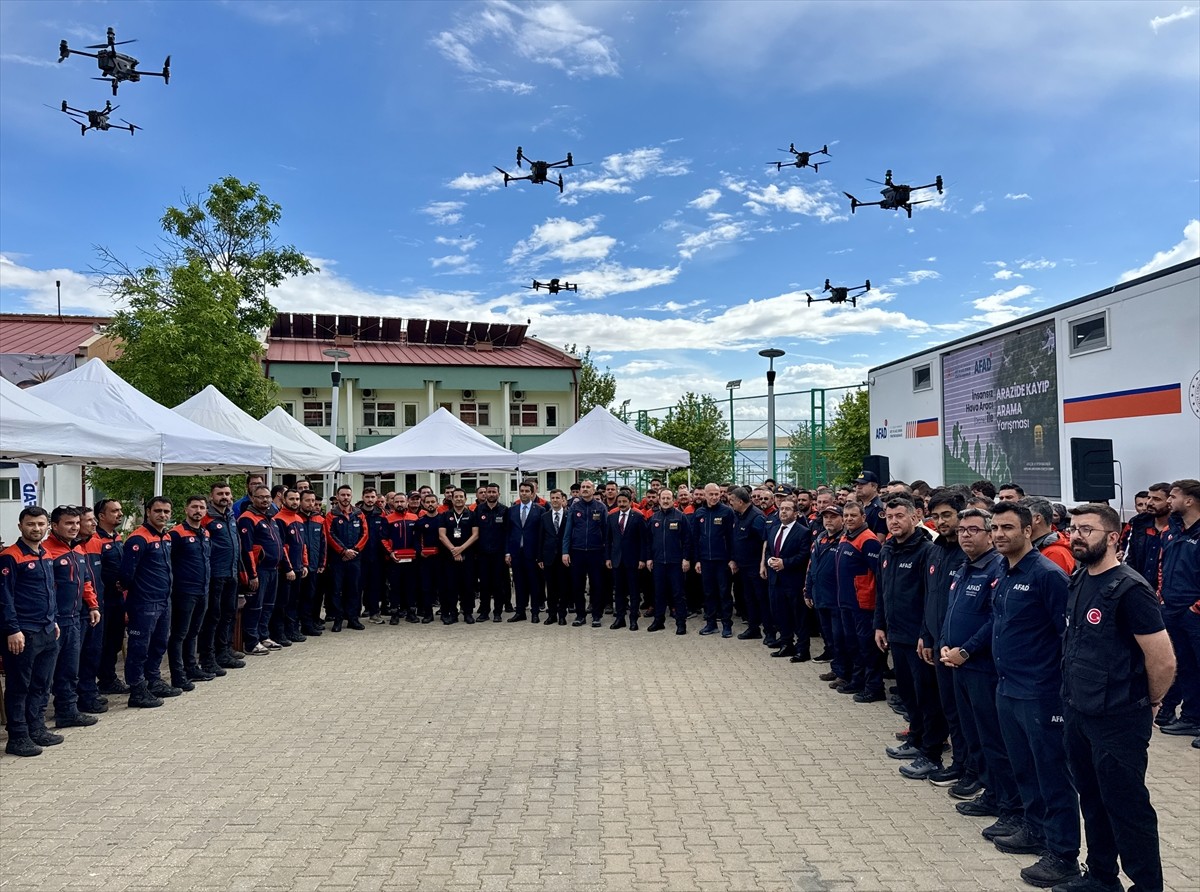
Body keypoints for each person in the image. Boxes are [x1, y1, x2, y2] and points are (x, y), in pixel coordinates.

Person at [1058, 503, 1176, 892]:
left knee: (1128, 810)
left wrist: (1152, 701)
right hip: (1079, 709)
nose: (1076, 535)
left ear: (1112, 537)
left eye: (1087, 530)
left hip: (1119, 718)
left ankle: (1146, 886)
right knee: (1091, 799)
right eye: (1074, 528)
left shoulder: (1130, 589)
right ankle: (1103, 877)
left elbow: (1162, 659)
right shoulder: (1079, 578)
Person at [988, 500, 1080, 889]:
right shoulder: (1004, 571)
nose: (999, 535)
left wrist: (1059, 688)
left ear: (1028, 530)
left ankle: (1063, 855)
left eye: (1007, 528)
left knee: (1052, 774)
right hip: (1008, 687)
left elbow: (1068, 636)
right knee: (1024, 767)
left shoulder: (1046, 574)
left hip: (1040, 693)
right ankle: (1034, 829)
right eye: (995, 528)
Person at [938, 506, 1023, 839]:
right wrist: (946, 644)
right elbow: (953, 613)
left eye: (973, 530)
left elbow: (994, 620)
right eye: (962, 530)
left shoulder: (997, 569)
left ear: (989, 534)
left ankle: (1007, 803)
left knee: (993, 738)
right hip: (957, 664)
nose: (965, 535)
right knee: (973, 734)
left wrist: (966, 650)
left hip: (982, 667)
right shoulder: (964, 568)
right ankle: (989, 791)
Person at [874, 498, 943, 779]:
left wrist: (925, 634)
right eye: (889, 516)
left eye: (900, 516)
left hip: (918, 638)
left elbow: (932, 598)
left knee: (926, 694)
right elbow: (882, 592)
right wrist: (880, 625)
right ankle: (915, 738)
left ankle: (932, 749)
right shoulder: (887, 550)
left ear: (915, 517)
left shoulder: (927, 551)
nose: (894, 521)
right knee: (908, 694)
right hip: (896, 634)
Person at [919, 488, 975, 791]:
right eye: (936, 516)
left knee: (968, 717)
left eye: (947, 515)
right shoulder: (934, 549)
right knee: (951, 712)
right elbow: (931, 597)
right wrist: (925, 634)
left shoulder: (972, 554)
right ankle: (959, 764)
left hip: (964, 652)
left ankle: (973, 770)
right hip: (937, 645)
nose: (941, 522)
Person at [1, 507, 61, 756]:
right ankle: (17, 736)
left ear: (47, 526)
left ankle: (36, 728)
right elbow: (4, 597)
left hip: (47, 629)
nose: (36, 528)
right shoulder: (9, 557)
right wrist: (12, 629)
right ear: (20, 526)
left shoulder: (45, 554)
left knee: (41, 684)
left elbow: (49, 591)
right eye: (30, 524)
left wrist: (54, 620)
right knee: (19, 685)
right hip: (24, 632)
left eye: (40, 524)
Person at [41, 506, 100, 729]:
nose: (74, 527)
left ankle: (67, 712)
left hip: (75, 618)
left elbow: (85, 582)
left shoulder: (78, 550)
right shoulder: (46, 552)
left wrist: (92, 605)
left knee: (69, 669)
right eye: (68, 523)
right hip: (53, 621)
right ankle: (36, 721)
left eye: (76, 523)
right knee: (47, 675)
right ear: (54, 526)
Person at [121, 497, 179, 707]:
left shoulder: (166, 537)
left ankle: (153, 681)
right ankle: (137, 690)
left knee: (159, 643)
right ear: (148, 512)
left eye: (166, 511)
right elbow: (127, 574)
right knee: (139, 647)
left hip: (163, 600)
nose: (162, 515)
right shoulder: (138, 539)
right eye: (158, 511)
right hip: (144, 602)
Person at [1156, 479, 1200, 739]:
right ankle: (1192, 718)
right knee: (1184, 666)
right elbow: (1163, 567)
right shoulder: (1172, 532)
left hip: (1194, 612)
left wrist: (1195, 608)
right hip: (1171, 609)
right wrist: (1162, 597)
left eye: (1173, 496)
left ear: (1190, 500)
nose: (1169, 501)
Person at [835, 502, 883, 701]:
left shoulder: (869, 540)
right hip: (847, 602)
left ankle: (874, 687)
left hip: (863, 604)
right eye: (845, 515)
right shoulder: (846, 537)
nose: (848, 519)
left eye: (853, 515)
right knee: (853, 644)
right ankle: (857, 680)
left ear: (863, 517)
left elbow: (879, 574)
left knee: (867, 647)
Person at [166, 496, 213, 692]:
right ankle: (177, 675)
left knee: (194, 631)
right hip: (183, 591)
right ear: (186, 509)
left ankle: (191, 667)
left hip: (203, 589)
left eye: (202, 507)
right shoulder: (176, 534)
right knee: (179, 634)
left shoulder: (205, 532)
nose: (198, 510)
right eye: (194, 507)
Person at [200, 483, 245, 672]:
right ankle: (208, 657)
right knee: (213, 617)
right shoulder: (207, 518)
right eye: (220, 494)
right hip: (215, 575)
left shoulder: (231, 517)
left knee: (228, 614)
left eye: (227, 493)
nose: (224, 497)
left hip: (231, 572)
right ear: (212, 497)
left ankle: (224, 651)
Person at [762, 497, 812, 660]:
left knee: (799, 617)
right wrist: (769, 561)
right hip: (775, 580)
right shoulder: (774, 529)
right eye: (781, 509)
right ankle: (786, 644)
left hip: (793, 581)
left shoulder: (803, 531)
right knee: (780, 614)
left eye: (787, 509)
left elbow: (804, 555)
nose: (783, 512)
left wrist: (785, 563)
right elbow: (769, 549)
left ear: (796, 513)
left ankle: (803, 649)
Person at [239, 485, 286, 652]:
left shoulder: (271, 518)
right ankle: (251, 642)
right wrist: (252, 574)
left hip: (274, 569)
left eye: (267, 497)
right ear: (252, 498)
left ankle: (263, 636)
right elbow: (247, 549)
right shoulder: (248, 518)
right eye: (260, 497)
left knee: (268, 605)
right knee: (255, 606)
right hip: (259, 570)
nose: (265, 500)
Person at [75, 506, 109, 714]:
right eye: (88, 521)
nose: (94, 523)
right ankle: (75, 698)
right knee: (75, 657)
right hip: (75, 611)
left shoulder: (97, 543)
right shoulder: (64, 548)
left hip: (97, 607)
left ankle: (88, 692)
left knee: (93, 652)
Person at [693, 483, 737, 638]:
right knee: (709, 593)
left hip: (722, 561)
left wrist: (732, 559)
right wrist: (697, 560)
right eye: (710, 494)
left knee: (724, 593)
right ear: (705, 495)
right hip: (705, 560)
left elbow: (732, 538)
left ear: (720, 495)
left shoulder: (727, 512)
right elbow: (696, 539)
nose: (713, 497)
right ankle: (711, 624)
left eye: (716, 494)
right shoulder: (699, 513)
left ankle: (727, 625)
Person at [646, 488, 691, 634]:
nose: (665, 501)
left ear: (673, 501)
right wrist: (649, 558)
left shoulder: (680, 517)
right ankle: (659, 621)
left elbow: (687, 540)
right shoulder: (654, 518)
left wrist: (686, 558)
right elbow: (648, 541)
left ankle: (681, 623)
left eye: (668, 498)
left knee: (678, 594)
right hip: (658, 562)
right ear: (659, 500)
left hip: (676, 562)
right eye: (663, 498)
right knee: (659, 593)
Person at [563, 480, 608, 628]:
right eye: (583, 487)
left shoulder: (601, 507)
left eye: (588, 487)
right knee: (577, 585)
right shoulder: (574, 507)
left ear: (593, 489)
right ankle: (580, 615)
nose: (585, 489)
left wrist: (606, 553)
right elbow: (568, 531)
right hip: (577, 551)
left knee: (597, 585)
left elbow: (607, 533)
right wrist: (565, 551)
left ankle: (596, 615)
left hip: (596, 552)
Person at [807, 506, 844, 681]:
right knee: (828, 636)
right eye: (826, 517)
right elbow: (811, 567)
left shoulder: (844, 540)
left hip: (837, 598)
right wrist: (808, 589)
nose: (828, 520)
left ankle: (844, 672)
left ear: (842, 519)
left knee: (839, 638)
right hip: (820, 596)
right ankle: (836, 668)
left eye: (833, 517)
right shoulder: (819, 539)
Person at [324, 484, 368, 633]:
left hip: (355, 558)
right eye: (342, 495)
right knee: (337, 590)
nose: (345, 498)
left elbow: (365, 534)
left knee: (354, 589)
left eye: (348, 495)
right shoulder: (331, 515)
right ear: (337, 497)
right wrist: (343, 551)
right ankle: (338, 619)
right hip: (338, 559)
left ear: (351, 496)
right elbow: (330, 535)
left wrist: (355, 550)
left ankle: (353, 618)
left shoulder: (359, 513)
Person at [94, 498, 127, 697]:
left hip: (118, 598)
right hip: (102, 599)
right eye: (115, 511)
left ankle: (109, 677)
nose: (120, 514)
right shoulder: (95, 539)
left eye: (120, 510)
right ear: (101, 516)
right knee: (101, 642)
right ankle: (102, 679)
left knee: (114, 641)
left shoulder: (116, 537)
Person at [729, 486, 769, 641]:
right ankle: (753, 629)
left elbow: (765, 542)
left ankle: (769, 632)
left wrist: (762, 564)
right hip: (743, 567)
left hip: (755, 567)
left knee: (761, 600)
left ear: (740, 501)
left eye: (732, 501)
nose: (730, 503)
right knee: (749, 599)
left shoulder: (756, 517)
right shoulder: (739, 515)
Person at [605, 489, 647, 630]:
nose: (622, 504)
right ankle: (620, 618)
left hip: (633, 560)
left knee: (634, 591)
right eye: (620, 502)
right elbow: (608, 539)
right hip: (616, 559)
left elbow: (643, 540)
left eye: (624, 502)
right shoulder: (611, 517)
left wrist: (642, 559)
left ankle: (633, 619)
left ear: (630, 502)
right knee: (619, 591)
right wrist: (608, 558)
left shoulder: (638, 516)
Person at [271, 489, 309, 644]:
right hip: (285, 570)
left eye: (297, 499)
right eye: (291, 499)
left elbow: (303, 545)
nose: (295, 502)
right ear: (284, 499)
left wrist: (305, 563)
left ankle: (292, 630)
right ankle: (279, 633)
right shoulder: (279, 519)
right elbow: (282, 547)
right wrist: (288, 568)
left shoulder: (299, 519)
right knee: (282, 602)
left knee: (294, 601)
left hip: (299, 567)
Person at [506, 480, 546, 623]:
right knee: (519, 584)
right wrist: (507, 552)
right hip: (517, 553)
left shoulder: (540, 510)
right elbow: (508, 533)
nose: (524, 493)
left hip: (533, 554)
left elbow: (542, 535)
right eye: (521, 491)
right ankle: (520, 612)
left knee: (534, 584)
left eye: (527, 491)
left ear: (532, 493)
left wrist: (540, 555)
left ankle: (535, 612)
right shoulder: (512, 510)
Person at [438, 488, 478, 624]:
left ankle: (468, 613)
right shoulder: (445, 515)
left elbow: (475, 535)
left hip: (468, 556)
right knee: (451, 586)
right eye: (456, 497)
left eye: (461, 496)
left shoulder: (472, 515)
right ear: (452, 499)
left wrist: (461, 549)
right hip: (449, 556)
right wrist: (453, 550)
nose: (459, 499)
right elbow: (441, 535)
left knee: (468, 586)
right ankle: (453, 614)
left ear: (466, 499)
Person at [473, 483, 511, 622]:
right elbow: (475, 533)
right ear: (485, 494)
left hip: (499, 554)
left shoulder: (504, 510)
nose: (491, 494)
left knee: (498, 584)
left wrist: (507, 552)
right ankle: (484, 611)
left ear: (498, 494)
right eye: (489, 492)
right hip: (482, 554)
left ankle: (497, 612)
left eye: (494, 492)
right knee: (484, 584)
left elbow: (508, 533)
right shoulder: (478, 510)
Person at [1125, 482, 1172, 590]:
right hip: (1139, 586)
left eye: (1156, 499)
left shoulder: (1179, 528)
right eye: (1149, 498)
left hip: (1166, 592)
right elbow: (1130, 557)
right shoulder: (1139, 523)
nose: (1149, 503)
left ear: (1170, 502)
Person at [383, 495, 420, 624]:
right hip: (395, 560)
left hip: (411, 559)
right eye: (397, 501)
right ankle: (394, 613)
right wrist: (390, 552)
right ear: (393, 503)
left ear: (407, 502)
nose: (399, 503)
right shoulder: (388, 519)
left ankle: (411, 612)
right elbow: (383, 538)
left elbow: (419, 538)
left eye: (402, 501)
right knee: (394, 587)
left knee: (411, 586)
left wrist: (418, 551)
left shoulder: (414, 518)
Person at [539, 489, 570, 625]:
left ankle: (562, 614)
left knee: (564, 587)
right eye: (553, 498)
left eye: (558, 498)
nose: (555, 500)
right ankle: (552, 615)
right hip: (549, 557)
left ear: (563, 499)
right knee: (551, 588)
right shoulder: (544, 516)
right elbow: (540, 538)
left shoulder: (569, 515)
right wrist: (539, 558)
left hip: (564, 557)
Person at [298, 489, 327, 636]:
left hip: (314, 565)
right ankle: (296, 625)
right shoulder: (296, 518)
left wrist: (322, 563)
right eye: (307, 500)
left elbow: (323, 543)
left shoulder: (319, 520)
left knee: (311, 596)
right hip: (299, 566)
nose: (311, 504)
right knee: (297, 598)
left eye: (313, 501)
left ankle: (308, 624)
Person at [1023, 497, 1076, 575]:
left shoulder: (1055, 554)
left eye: (1022, 517)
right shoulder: (1036, 547)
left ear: (1037, 519)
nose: (1018, 521)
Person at [358, 487, 387, 624]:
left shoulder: (381, 514)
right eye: (367, 497)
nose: (370, 500)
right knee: (357, 586)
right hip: (359, 556)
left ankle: (374, 613)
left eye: (372, 497)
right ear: (363, 497)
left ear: (376, 498)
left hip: (377, 557)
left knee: (375, 585)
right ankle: (354, 614)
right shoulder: (356, 513)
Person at [413, 492, 442, 624]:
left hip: (441, 559)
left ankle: (445, 612)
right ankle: (428, 614)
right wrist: (420, 551)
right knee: (426, 587)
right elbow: (416, 540)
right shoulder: (420, 522)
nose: (430, 504)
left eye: (433, 502)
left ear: (437, 503)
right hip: (425, 559)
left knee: (443, 586)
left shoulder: (444, 519)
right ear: (423, 504)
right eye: (427, 502)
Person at [854, 472, 888, 536]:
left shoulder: (878, 508)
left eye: (863, 484)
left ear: (874, 487)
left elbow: (880, 539)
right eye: (857, 484)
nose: (858, 487)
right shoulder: (861, 506)